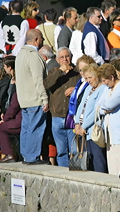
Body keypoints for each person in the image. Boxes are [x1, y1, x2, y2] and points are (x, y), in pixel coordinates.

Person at [43, 47, 80, 167]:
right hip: (57, 117)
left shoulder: (77, 73)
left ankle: (75, 175)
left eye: (67, 56)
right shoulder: (53, 72)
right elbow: (46, 84)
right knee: (61, 151)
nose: (65, 59)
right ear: (57, 59)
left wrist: (75, 89)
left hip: (72, 117)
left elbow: (85, 87)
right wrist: (60, 71)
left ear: (71, 57)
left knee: (74, 151)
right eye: (62, 57)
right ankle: (63, 174)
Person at [15, 29, 48, 164]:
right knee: (35, 128)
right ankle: (32, 157)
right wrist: (45, 98)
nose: (42, 41)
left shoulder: (20, 55)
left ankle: (26, 155)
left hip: (24, 99)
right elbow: (38, 80)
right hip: (35, 98)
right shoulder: (33, 56)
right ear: (35, 39)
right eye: (41, 38)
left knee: (27, 128)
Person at [96, 63, 120, 175]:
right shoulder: (107, 88)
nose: (103, 83)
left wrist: (105, 108)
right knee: (112, 170)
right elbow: (98, 106)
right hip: (110, 135)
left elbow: (108, 105)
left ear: (112, 77)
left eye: (104, 80)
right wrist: (104, 109)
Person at [74, 64, 106, 173]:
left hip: (93, 130)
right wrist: (77, 123)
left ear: (97, 75)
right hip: (81, 130)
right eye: (86, 78)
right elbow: (81, 105)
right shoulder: (88, 88)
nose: (88, 81)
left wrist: (84, 126)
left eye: (90, 78)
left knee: (97, 160)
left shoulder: (103, 89)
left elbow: (95, 112)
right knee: (87, 161)